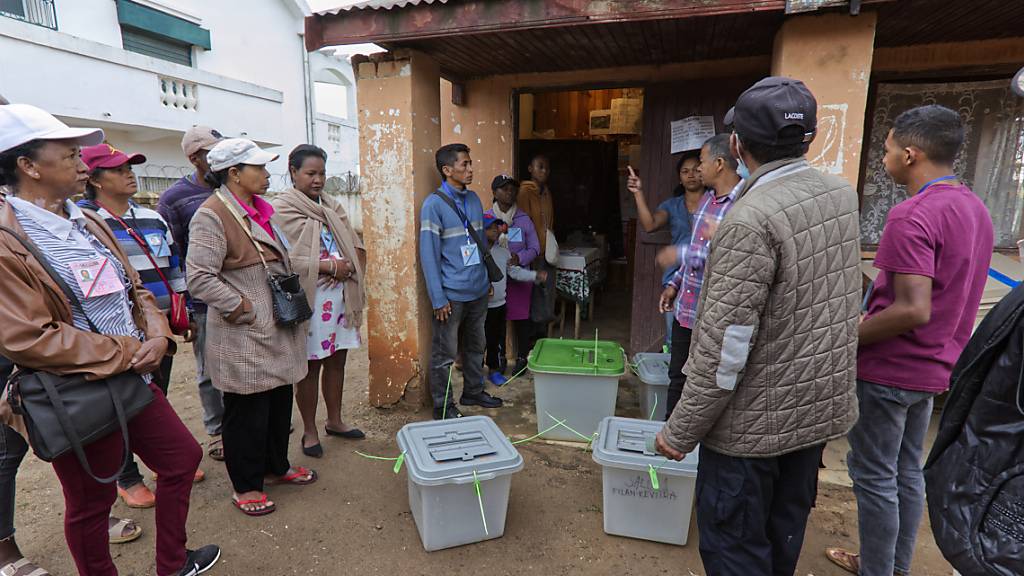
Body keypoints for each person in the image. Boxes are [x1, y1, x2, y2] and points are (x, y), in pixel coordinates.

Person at [0, 104, 219, 576]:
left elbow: (133, 288)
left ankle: (172, 564)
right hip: (78, 390)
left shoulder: (88, 220)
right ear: (28, 165)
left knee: (181, 458)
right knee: (91, 501)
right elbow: (28, 338)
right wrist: (128, 353)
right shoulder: (7, 237)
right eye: (70, 154)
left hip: (133, 375)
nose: (83, 163)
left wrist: (157, 334)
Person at [654, 77, 861, 576]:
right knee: (780, 542)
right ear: (807, 138)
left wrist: (680, 430)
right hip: (812, 418)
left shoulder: (749, 218)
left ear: (738, 145)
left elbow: (726, 347)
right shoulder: (840, 195)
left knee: (738, 553)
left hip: (750, 433)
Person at [826, 105, 994, 576]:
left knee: (874, 475)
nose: (884, 159)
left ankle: (878, 570)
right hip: (934, 368)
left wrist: (845, 335)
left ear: (910, 153)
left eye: (886, 150)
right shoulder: (974, 208)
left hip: (889, 369)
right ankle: (892, 565)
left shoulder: (912, 214)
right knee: (903, 472)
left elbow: (912, 309)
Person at [186, 138, 316, 516]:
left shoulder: (263, 209)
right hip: (245, 331)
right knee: (247, 409)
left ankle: (276, 468)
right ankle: (246, 485)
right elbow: (199, 277)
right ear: (234, 173)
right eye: (257, 167)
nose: (265, 173)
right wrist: (241, 306)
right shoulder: (211, 214)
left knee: (278, 400)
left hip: (277, 326)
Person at [77, 143, 205, 507]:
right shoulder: (83, 223)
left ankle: (160, 460)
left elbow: (174, 267)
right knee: (118, 406)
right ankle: (126, 475)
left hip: (159, 331)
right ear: (95, 179)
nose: (129, 174)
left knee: (154, 396)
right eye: (118, 170)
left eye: (130, 167)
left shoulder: (153, 217)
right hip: (114, 337)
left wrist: (185, 312)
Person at [271, 144, 367, 459]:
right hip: (309, 300)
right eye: (310, 173)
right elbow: (281, 258)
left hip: (340, 296)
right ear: (293, 173)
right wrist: (326, 266)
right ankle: (310, 430)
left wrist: (348, 266)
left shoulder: (332, 206)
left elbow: (353, 244)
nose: (317, 180)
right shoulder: (282, 209)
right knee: (309, 367)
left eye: (322, 173)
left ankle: (335, 420)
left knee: (337, 360)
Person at [638, 134, 742, 418]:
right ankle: (670, 438)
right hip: (686, 308)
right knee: (678, 376)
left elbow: (733, 259)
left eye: (702, 163)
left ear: (719, 164)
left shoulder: (743, 205)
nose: (698, 170)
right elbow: (700, 248)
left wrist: (680, 255)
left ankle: (698, 442)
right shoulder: (709, 201)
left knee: (708, 382)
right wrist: (674, 284)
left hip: (713, 314)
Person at [157, 125, 226, 462]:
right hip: (202, 301)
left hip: (240, 296)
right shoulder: (174, 199)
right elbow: (170, 255)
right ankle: (217, 432)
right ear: (195, 158)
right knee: (210, 372)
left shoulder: (232, 188)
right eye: (213, 152)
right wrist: (182, 308)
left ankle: (243, 423)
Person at [420, 143, 503, 419]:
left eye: (470, 163)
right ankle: (443, 407)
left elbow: (480, 246)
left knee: (476, 345)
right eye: (464, 164)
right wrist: (438, 297)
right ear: (447, 170)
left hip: (477, 291)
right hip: (451, 296)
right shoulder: (433, 205)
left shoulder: (475, 199)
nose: (470, 169)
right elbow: (428, 254)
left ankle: (473, 391)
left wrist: (485, 279)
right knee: (445, 354)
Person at [631, 151, 704, 346]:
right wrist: (638, 193)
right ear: (679, 178)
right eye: (685, 171)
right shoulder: (672, 206)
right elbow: (650, 224)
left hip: (705, 277)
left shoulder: (716, 203)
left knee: (704, 339)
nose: (690, 175)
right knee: (675, 339)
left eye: (696, 170)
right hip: (676, 280)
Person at [485, 174, 541, 381]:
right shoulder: (487, 218)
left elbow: (535, 247)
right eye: (504, 188)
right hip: (495, 277)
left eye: (512, 189)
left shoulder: (524, 219)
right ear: (494, 192)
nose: (509, 192)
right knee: (495, 320)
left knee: (521, 320)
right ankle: (498, 359)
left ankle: (521, 358)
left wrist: (520, 257)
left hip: (518, 276)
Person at [517, 155, 557, 357]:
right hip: (531, 251)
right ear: (530, 168)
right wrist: (527, 251)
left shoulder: (546, 192)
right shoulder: (525, 192)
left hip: (545, 251)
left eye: (547, 168)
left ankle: (541, 334)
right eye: (540, 167)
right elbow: (523, 223)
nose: (544, 171)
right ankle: (532, 340)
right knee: (532, 294)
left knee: (545, 293)